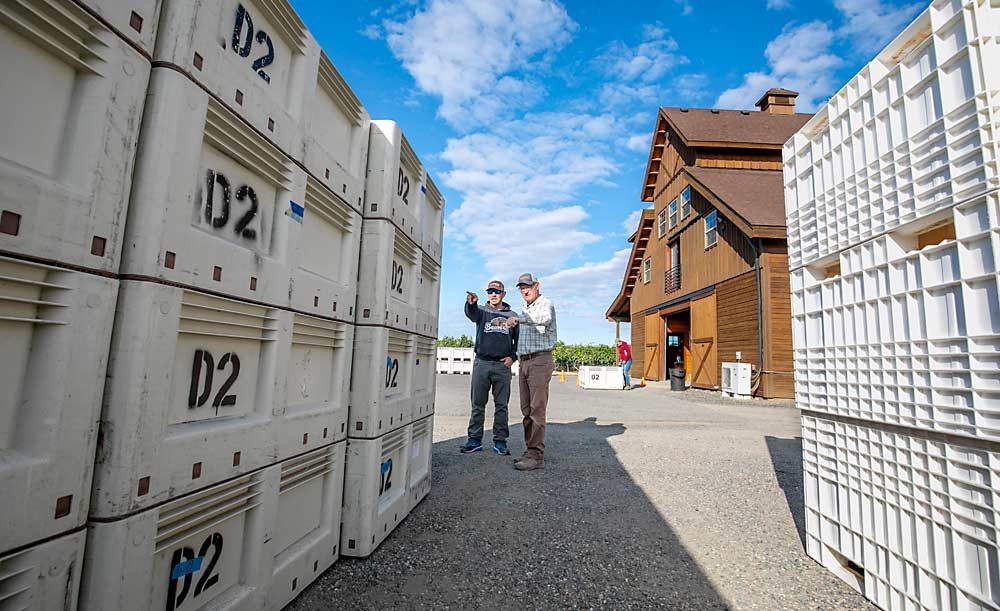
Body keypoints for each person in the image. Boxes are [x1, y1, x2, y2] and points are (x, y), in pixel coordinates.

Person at [460, 280, 519, 455]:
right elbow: (471, 313)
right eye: (490, 291)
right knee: (477, 404)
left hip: (502, 366)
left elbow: (518, 340)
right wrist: (471, 303)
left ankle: (500, 441)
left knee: (501, 405)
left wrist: (513, 357)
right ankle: (474, 439)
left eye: (497, 291)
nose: (493, 294)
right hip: (482, 364)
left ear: (504, 294)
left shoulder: (512, 315)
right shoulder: (482, 311)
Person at [505, 273, 557, 471]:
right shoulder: (525, 309)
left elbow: (545, 318)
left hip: (540, 360)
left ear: (537, 286)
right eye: (521, 288)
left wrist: (519, 319)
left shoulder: (545, 304)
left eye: (527, 286)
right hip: (525, 361)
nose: (524, 290)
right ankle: (530, 450)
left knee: (536, 409)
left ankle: (536, 454)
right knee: (526, 409)